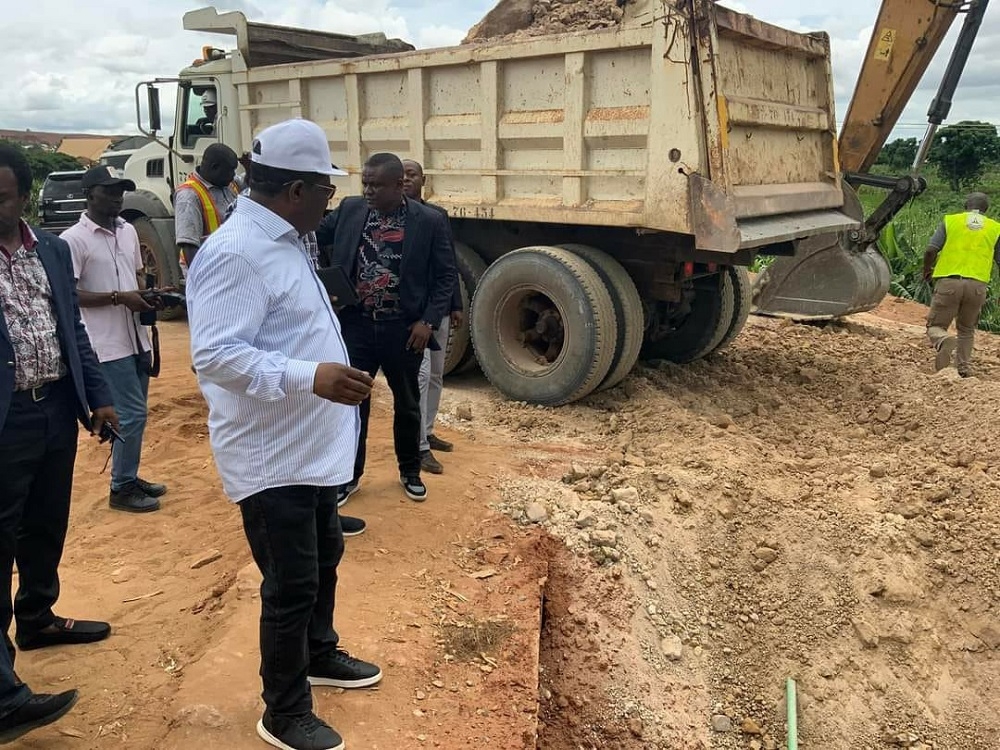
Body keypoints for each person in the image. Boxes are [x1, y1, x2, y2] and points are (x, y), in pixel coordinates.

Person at [186, 118, 382, 750]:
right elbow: (215, 356)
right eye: (325, 190)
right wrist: (310, 377)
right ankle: (284, 709)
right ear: (296, 190)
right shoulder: (235, 251)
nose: (332, 200)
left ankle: (320, 654)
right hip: (272, 456)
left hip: (310, 447)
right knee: (291, 582)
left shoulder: (289, 238)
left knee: (325, 558)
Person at [0, 145, 118, 702]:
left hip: (54, 412)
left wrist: (98, 397)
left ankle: (38, 617)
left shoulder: (47, 249)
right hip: (5, 419)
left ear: (22, 194)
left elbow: (71, 329)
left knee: (46, 524)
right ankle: (3, 692)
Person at [316, 153, 455, 504]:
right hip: (357, 326)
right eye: (365, 183)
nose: (368, 191)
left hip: (404, 330)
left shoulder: (429, 220)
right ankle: (349, 476)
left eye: (376, 185)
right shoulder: (350, 210)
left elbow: (444, 277)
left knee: (407, 404)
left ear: (398, 185)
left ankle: (409, 471)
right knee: (352, 406)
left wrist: (428, 321)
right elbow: (311, 237)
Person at [62, 165, 167, 514]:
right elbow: (68, 295)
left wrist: (149, 295)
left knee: (138, 414)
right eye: (110, 190)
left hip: (136, 336)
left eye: (121, 189)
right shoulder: (73, 240)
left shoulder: (128, 232)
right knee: (131, 415)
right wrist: (119, 298)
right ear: (90, 194)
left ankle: (129, 475)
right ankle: (121, 487)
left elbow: (136, 276)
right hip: (105, 344)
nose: (118, 196)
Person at [401, 159, 461, 475]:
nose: (407, 179)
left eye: (413, 175)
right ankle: (418, 445)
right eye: (403, 175)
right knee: (420, 377)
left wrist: (456, 305)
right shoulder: (392, 219)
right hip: (415, 315)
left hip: (438, 310)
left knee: (437, 375)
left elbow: (447, 265)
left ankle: (428, 429)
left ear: (424, 180)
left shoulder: (438, 217)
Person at [923, 192, 1000, 377]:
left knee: (936, 326)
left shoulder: (951, 221)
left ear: (966, 204)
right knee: (966, 329)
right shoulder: (995, 228)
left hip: (949, 283)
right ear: (986, 209)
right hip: (977, 287)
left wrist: (926, 269)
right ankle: (963, 368)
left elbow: (931, 250)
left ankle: (943, 339)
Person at [174, 143, 239, 275]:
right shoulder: (189, 196)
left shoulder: (225, 184)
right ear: (215, 167)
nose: (233, 175)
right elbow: (189, 247)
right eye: (230, 170)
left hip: (228, 266)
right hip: (209, 272)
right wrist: (202, 283)